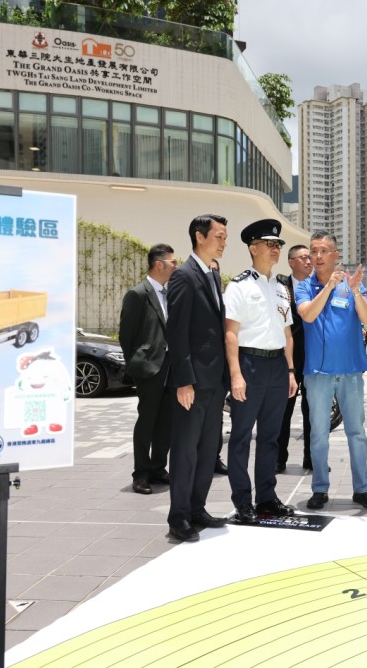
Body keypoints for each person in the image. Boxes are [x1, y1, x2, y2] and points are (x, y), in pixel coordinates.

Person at [295, 231, 367, 511]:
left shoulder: (350, 285)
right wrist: (328, 287)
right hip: (318, 373)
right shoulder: (304, 286)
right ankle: (320, 488)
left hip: (351, 371)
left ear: (335, 256)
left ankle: (362, 489)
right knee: (318, 432)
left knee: (356, 431)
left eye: (323, 251)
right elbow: (307, 314)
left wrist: (355, 291)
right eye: (313, 251)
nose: (317, 256)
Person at [223, 219, 297, 522]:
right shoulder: (239, 286)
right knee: (241, 436)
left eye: (278, 244)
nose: (275, 249)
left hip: (278, 366)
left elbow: (288, 333)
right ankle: (242, 501)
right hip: (250, 365)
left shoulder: (280, 288)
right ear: (253, 248)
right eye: (269, 244)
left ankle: (267, 497)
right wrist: (236, 375)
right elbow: (231, 333)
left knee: (271, 437)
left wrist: (291, 371)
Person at [165, 214, 230, 542]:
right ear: (199, 236)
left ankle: (197, 508)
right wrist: (184, 381)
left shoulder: (211, 276)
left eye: (224, 236)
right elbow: (176, 334)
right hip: (192, 384)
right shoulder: (183, 276)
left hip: (214, 383)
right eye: (218, 236)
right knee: (186, 451)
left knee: (207, 450)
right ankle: (178, 517)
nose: (223, 241)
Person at [118, 244, 177, 496]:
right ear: (159, 264)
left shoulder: (171, 293)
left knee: (166, 422)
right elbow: (126, 335)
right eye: (173, 262)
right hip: (149, 369)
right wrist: (138, 362)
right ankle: (140, 473)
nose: (176, 266)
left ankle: (157, 467)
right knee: (147, 422)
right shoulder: (138, 294)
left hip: (171, 368)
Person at [277, 244, 313, 472]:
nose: (309, 262)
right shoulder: (280, 287)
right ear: (291, 262)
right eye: (303, 258)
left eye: (310, 258)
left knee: (313, 413)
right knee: (283, 413)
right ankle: (278, 459)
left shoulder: (318, 287)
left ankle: (311, 459)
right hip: (287, 360)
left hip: (312, 359)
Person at [208, 258, 229, 477]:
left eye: (216, 271)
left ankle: (215, 458)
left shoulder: (226, 300)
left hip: (221, 370)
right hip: (200, 371)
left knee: (218, 419)